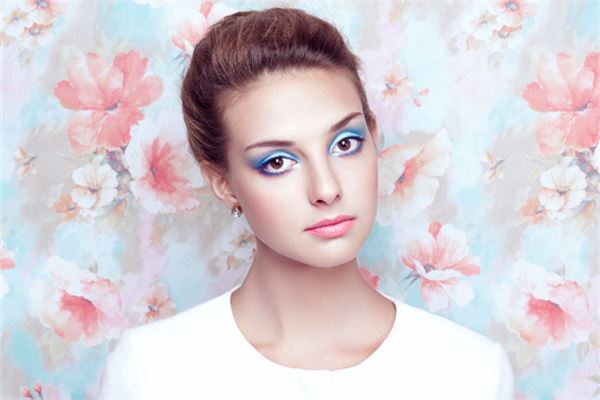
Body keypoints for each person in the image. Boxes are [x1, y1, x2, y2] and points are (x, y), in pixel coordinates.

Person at [97, 7, 514, 399]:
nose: (327, 188)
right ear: (224, 184)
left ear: (372, 137)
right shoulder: (152, 372)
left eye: (345, 143)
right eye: (278, 162)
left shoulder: (470, 371)